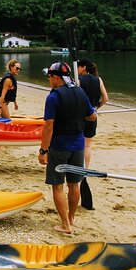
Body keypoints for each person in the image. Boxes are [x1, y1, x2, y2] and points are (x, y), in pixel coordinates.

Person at [38, 62, 96, 234]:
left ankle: (65, 225)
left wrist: (43, 150)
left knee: (57, 186)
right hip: (78, 145)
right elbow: (92, 117)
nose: (49, 80)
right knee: (74, 184)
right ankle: (71, 217)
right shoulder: (80, 91)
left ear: (56, 77)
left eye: (49, 77)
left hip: (59, 146)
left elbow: (48, 126)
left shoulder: (53, 97)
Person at [77, 59, 109, 169]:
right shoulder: (98, 80)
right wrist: (95, 108)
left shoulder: (78, 80)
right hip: (92, 115)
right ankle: (86, 168)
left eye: (78, 67)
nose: (77, 70)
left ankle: (78, 166)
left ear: (83, 67)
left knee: (78, 142)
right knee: (87, 145)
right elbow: (105, 98)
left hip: (79, 116)